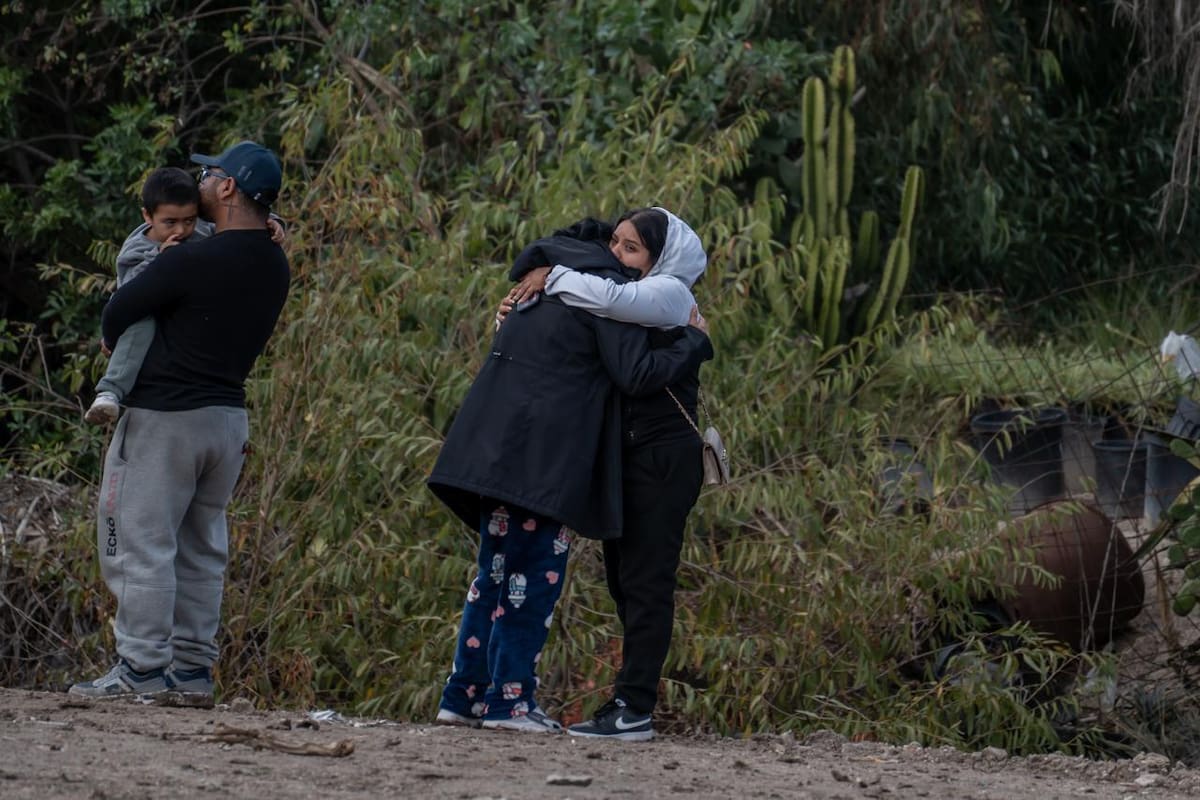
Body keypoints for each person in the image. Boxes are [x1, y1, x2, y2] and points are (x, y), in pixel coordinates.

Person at [427, 218, 713, 733]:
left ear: (660, 258)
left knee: (623, 583)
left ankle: (478, 697)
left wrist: (694, 338)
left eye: (632, 248)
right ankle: (507, 702)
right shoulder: (604, 297)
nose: (618, 255)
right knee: (531, 577)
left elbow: (630, 370)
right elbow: (628, 366)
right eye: (614, 245)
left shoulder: (657, 295)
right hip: (552, 456)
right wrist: (694, 343)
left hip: (629, 454)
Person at [68, 141, 291, 707]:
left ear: (228, 189)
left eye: (210, 174)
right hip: (226, 421)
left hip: (164, 419)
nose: (202, 179)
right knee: (201, 548)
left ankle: (141, 666)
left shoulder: (188, 258)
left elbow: (117, 312)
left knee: (139, 542)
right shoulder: (274, 260)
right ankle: (192, 670)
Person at [85, 167, 284, 425]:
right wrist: (160, 260)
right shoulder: (136, 249)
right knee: (140, 326)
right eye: (170, 222)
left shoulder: (201, 230)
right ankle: (110, 391)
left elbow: (242, 222)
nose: (180, 230)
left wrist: (275, 223)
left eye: (188, 221)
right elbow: (131, 295)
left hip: (193, 359)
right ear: (148, 216)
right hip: (144, 310)